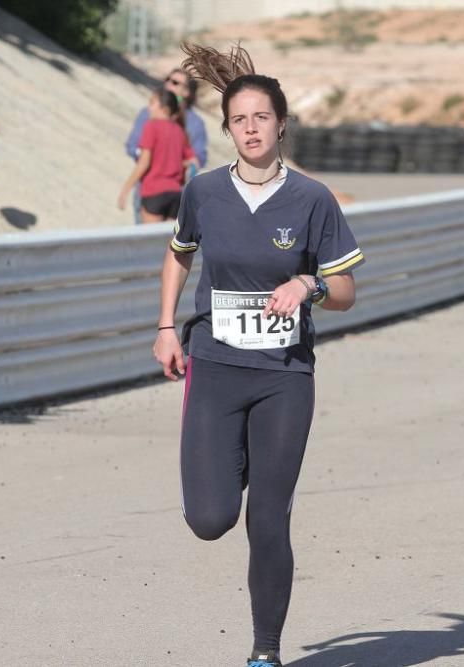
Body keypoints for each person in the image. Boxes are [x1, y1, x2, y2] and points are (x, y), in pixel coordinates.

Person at [154, 43, 365, 667]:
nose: (251, 129)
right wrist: (167, 326)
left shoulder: (312, 200)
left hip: (284, 377)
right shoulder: (204, 193)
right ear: (228, 129)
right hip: (215, 369)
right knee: (211, 517)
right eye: (239, 120)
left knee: (268, 517)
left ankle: (265, 653)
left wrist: (310, 285)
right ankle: (230, 460)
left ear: (281, 125)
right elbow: (179, 252)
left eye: (261, 118)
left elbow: (348, 291)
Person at [124, 68, 208, 223]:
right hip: (147, 188)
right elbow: (132, 146)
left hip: (178, 193)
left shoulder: (196, 124)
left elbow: (199, 159)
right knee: (147, 242)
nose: (169, 84)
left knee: (167, 244)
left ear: (187, 92)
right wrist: (150, 158)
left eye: (175, 83)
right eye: (168, 80)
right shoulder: (147, 113)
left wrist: (177, 164)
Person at [116, 89, 197, 222]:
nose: (149, 107)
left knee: (151, 241)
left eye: (152, 103)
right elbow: (192, 161)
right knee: (167, 242)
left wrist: (125, 189)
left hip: (154, 191)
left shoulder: (151, 127)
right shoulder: (179, 131)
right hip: (175, 194)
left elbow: (144, 162)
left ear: (164, 109)